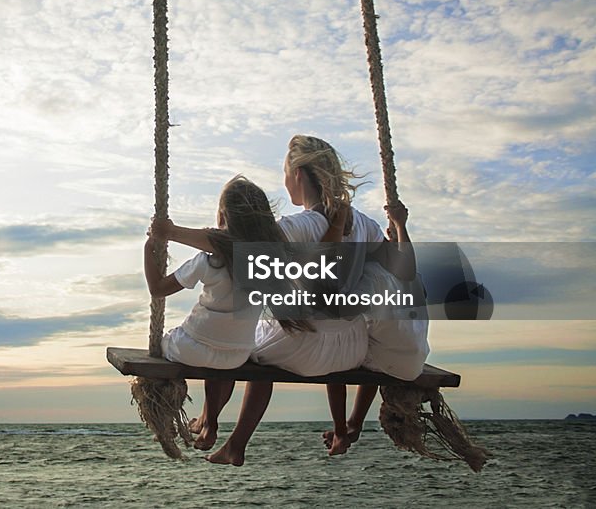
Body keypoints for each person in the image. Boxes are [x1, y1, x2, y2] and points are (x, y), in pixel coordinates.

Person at [153, 135, 425, 464]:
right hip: (351, 350)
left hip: (306, 348)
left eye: (285, 174)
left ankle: (225, 433)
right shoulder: (363, 223)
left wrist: (172, 232)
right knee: (261, 336)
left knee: (242, 348)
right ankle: (229, 432)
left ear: (297, 175)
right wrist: (399, 226)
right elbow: (406, 269)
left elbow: (235, 241)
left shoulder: (302, 225)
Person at [143, 175, 287, 448]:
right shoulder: (268, 264)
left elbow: (158, 289)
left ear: (222, 216)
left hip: (191, 348)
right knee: (220, 356)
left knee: (173, 342)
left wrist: (149, 249)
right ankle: (210, 421)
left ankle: (178, 416)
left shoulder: (209, 261)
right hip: (235, 356)